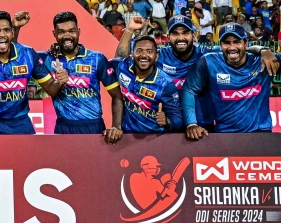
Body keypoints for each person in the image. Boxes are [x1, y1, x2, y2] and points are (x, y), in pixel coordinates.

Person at [118, 14, 277, 132]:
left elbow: (236, 49)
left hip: (201, 125)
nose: (181, 38)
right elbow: (122, 60)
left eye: (185, 33)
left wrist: (264, 50)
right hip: (167, 123)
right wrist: (130, 30)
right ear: (169, 37)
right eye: (175, 33)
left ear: (193, 35)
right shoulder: (160, 56)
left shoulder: (207, 55)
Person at [183, 23, 280, 137]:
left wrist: (265, 50)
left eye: (237, 41)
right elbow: (189, 90)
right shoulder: (208, 62)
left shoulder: (263, 61)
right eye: (226, 42)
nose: (232, 47)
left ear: (246, 43)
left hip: (260, 134)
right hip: (224, 135)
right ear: (220, 45)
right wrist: (191, 124)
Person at [0, 11, 56, 134]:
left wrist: (61, 81)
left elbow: (51, 89)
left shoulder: (28, 54)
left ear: (12, 32)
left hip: (20, 122)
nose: (2, 34)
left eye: (6, 30)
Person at [44, 11, 124, 139]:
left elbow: (117, 95)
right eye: (61, 32)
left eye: (72, 30)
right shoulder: (48, 58)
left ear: (79, 31)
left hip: (93, 126)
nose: (67, 35)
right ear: (54, 34)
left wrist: (116, 126)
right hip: (63, 127)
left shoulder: (97, 59)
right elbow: (16, 57)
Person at [109, 35, 182, 135]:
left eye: (149, 51)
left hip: (154, 138)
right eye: (139, 51)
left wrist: (167, 121)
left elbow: (177, 118)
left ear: (156, 57)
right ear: (132, 54)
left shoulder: (165, 83)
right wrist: (129, 29)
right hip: (126, 137)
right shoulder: (122, 66)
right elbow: (118, 56)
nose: (144, 55)